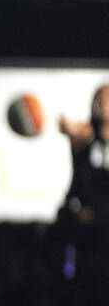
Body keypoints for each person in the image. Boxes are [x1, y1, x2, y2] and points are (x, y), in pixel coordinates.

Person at [58, 84, 109, 223]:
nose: (102, 104)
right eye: (99, 100)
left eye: (106, 100)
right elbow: (75, 129)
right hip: (87, 204)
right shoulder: (87, 134)